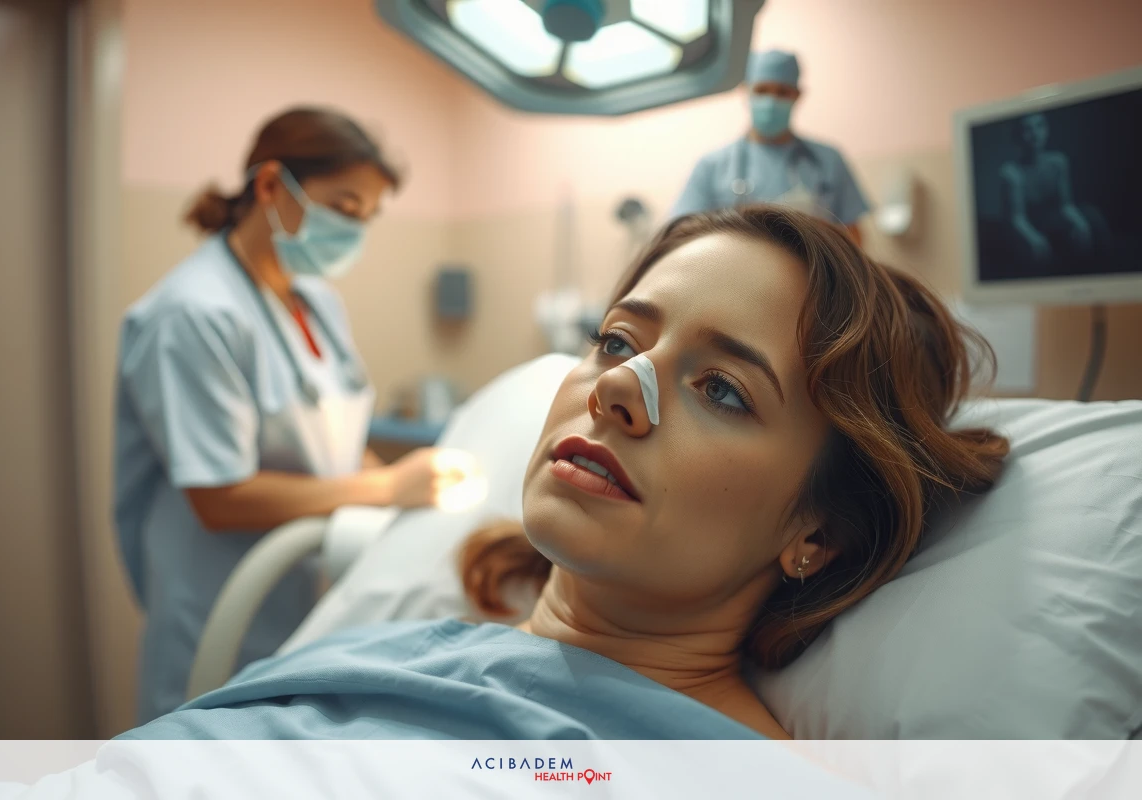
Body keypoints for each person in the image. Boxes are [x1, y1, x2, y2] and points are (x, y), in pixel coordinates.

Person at [110, 205, 1006, 741]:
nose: (618, 385)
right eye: (618, 339)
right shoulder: (377, 663)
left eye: (723, 390)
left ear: (817, 531)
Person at [114, 107, 476, 723]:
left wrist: (401, 500)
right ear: (271, 186)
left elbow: (337, 441)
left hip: (304, 601)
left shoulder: (317, 302)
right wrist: (388, 486)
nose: (354, 228)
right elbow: (218, 496)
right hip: (217, 610)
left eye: (367, 216)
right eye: (343, 206)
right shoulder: (192, 314)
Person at [670, 50, 871, 244]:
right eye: (762, 90)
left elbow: (855, 238)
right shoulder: (711, 166)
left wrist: (819, 233)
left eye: (782, 92)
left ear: (797, 96)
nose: (771, 102)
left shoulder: (828, 160)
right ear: (745, 92)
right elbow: (681, 234)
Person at [996, 111, 1106, 272]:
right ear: (1017, 136)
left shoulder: (1058, 162)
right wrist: (1035, 240)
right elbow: (1017, 219)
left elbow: (1066, 205)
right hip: (1024, 228)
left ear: (1047, 130)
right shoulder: (1011, 173)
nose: (1035, 134)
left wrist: (1080, 224)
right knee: (1035, 252)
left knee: (1090, 219)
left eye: (1039, 126)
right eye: (1027, 129)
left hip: (1051, 223)